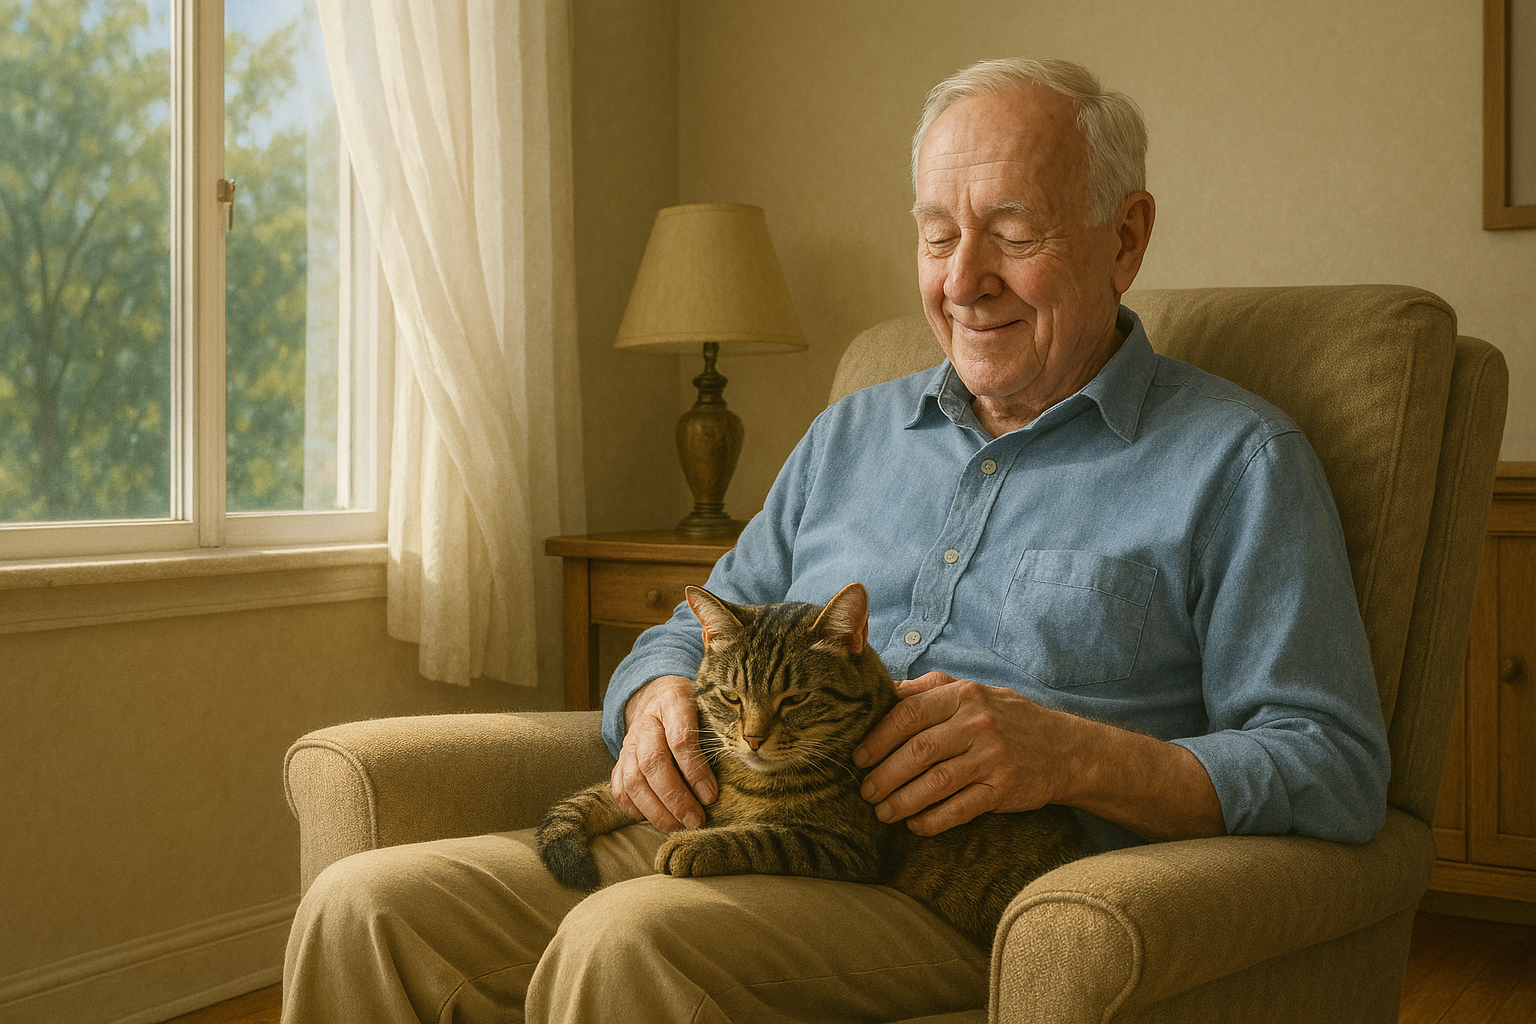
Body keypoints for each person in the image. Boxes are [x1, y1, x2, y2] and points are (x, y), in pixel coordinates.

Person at [283, 57, 1390, 1023]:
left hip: (954, 895)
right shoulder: (851, 432)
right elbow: (696, 623)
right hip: (740, 822)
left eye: (1014, 232)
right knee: (362, 909)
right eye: (939, 234)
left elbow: (1333, 766)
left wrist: (1073, 754)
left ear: (1127, 236)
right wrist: (660, 698)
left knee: (629, 942)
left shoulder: (1238, 463)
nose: (964, 282)